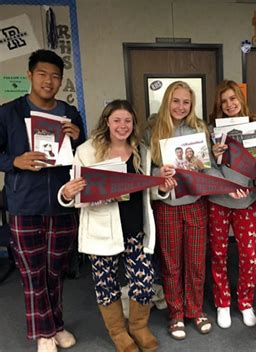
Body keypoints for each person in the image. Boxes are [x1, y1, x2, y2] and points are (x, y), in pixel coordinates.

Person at [58, 100, 176, 352]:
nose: (122, 126)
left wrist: (161, 187)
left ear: (133, 124)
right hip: (102, 229)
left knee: (143, 280)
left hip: (135, 228)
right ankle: (118, 332)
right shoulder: (87, 151)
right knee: (106, 283)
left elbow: (146, 189)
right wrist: (67, 193)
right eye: (117, 120)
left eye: (127, 121)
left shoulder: (141, 150)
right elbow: (73, 193)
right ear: (107, 122)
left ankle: (138, 326)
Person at [0, 49, 85, 352]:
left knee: (55, 270)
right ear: (30, 75)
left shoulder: (70, 113)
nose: (49, 81)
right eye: (42, 74)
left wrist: (78, 138)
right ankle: (45, 333)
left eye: (55, 76)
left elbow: (84, 156)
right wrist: (14, 162)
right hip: (23, 203)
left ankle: (56, 325)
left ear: (61, 80)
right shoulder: (8, 112)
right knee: (31, 271)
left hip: (62, 203)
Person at [148, 81, 212, 340]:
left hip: (195, 203)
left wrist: (202, 165)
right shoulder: (153, 130)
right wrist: (158, 175)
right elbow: (144, 170)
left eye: (186, 102)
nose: (181, 107)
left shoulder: (199, 128)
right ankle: (176, 313)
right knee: (172, 262)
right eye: (176, 101)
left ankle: (195, 310)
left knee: (196, 261)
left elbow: (208, 170)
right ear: (167, 102)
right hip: (167, 205)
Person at [207, 80, 256, 329]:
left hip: (247, 200)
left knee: (248, 255)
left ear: (241, 100)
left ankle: (246, 302)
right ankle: (222, 302)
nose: (229, 104)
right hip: (219, 199)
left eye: (233, 99)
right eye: (224, 101)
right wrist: (216, 154)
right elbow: (205, 168)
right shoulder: (211, 131)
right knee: (218, 253)